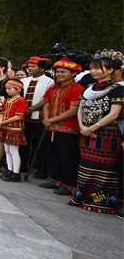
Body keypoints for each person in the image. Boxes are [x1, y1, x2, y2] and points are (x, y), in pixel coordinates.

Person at [70, 55, 123, 214]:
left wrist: (92, 128)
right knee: (86, 166)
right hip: (86, 134)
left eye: (97, 68)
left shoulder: (117, 89)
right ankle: (82, 197)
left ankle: (103, 201)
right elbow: (80, 107)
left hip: (107, 135)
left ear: (110, 70)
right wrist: (82, 126)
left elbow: (114, 114)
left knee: (104, 169)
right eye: (91, 68)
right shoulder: (90, 88)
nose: (93, 71)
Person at [39, 57, 84, 196]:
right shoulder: (53, 88)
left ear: (73, 73)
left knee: (67, 157)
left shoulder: (78, 88)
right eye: (57, 72)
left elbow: (72, 111)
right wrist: (46, 119)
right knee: (53, 155)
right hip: (50, 127)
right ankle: (56, 180)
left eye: (63, 72)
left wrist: (51, 119)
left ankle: (68, 184)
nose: (59, 74)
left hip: (68, 129)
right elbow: (46, 104)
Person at [21, 57, 54, 178]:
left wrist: (33, 108)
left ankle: (42, 169)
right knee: (24, 142)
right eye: (29, 66)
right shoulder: (24, 81)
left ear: (42, 68)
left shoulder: (48, 81)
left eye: (33, 66)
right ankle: (22, 165)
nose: (30, 68)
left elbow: (47, 99)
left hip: (39, 116)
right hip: (24, 115)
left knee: (41, 144)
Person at [0, 78, 28, 182]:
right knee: (7, 150)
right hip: (6, 127)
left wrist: (1, 123)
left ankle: (16, 173)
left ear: (19, 90)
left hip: (15, 128)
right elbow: (3, 113)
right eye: (7, 88)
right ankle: (10, 170)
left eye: (10, 88)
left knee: (13, 150)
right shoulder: (8, 100)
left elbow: (18, 116)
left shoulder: (21, 100)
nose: (8, 90)